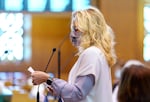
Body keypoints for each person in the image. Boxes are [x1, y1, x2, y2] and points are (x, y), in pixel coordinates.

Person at [31, 6, 116, 102]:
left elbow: (77, 93)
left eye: (76, 30)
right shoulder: (98, 53)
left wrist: (47, 79)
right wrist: (59, 90)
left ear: (90, 30)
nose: (72, 35)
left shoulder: (92, 53)